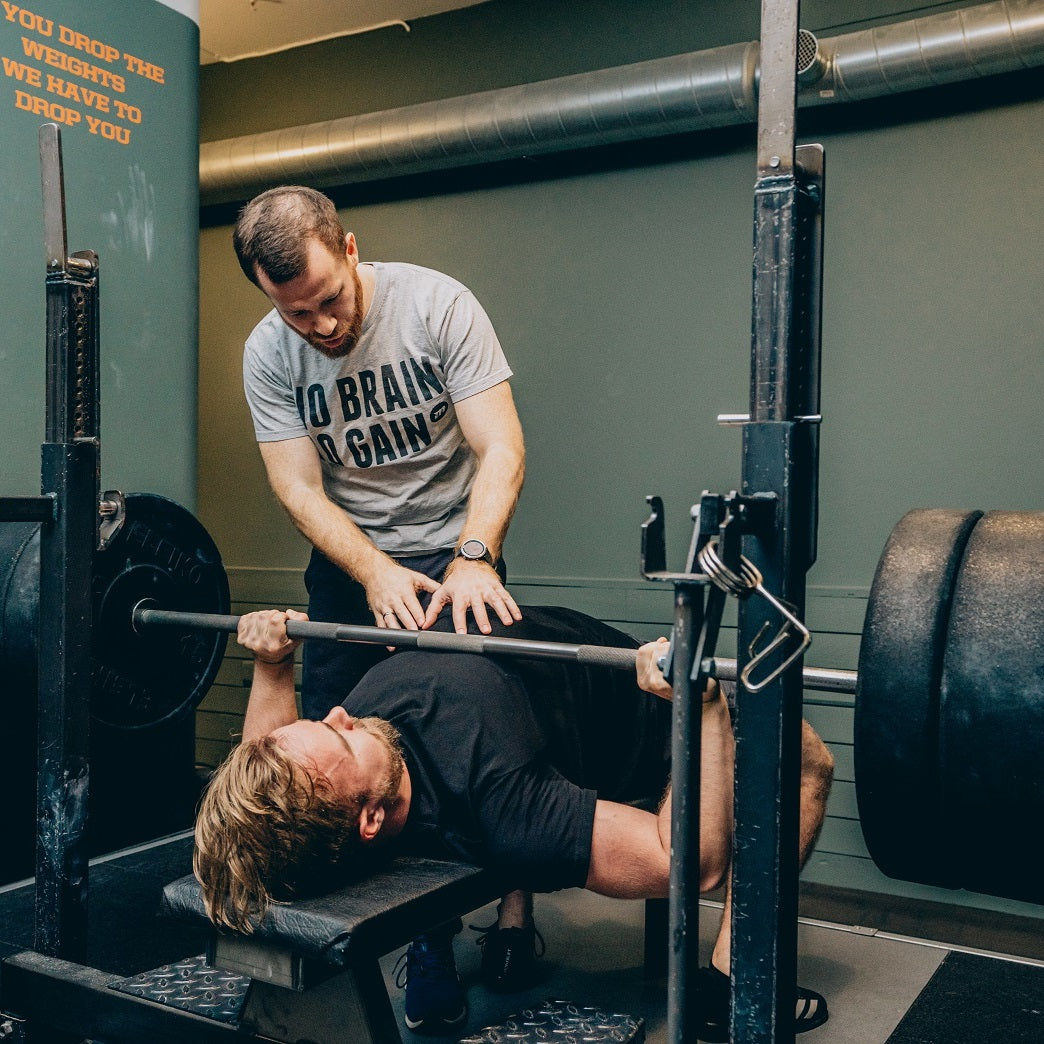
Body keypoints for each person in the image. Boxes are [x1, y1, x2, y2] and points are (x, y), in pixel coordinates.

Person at [194, 605, 834, 1039]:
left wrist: (272, 663)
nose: (337, 712)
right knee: (808, 765)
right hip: (652, 716)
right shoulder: (507, 803)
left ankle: (515, 940)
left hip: (547, 673)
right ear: (369, 818)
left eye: (318, 723)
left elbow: (268, 769)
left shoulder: (330, 815)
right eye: (339, 738)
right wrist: (704, 706)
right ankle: (733, 986)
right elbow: (693, 866)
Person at [232, 185, 526, 719]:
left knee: (461, 729)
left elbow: (501, 446)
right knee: (332, 741)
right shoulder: (267, 353)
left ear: (350, 249)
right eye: (296, 313)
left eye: (330, 299)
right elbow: (298, 489)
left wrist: (476, 557)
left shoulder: (438, 305)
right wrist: (372, 571)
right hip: (349, 562)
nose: (321, 326)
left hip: (456, 554)